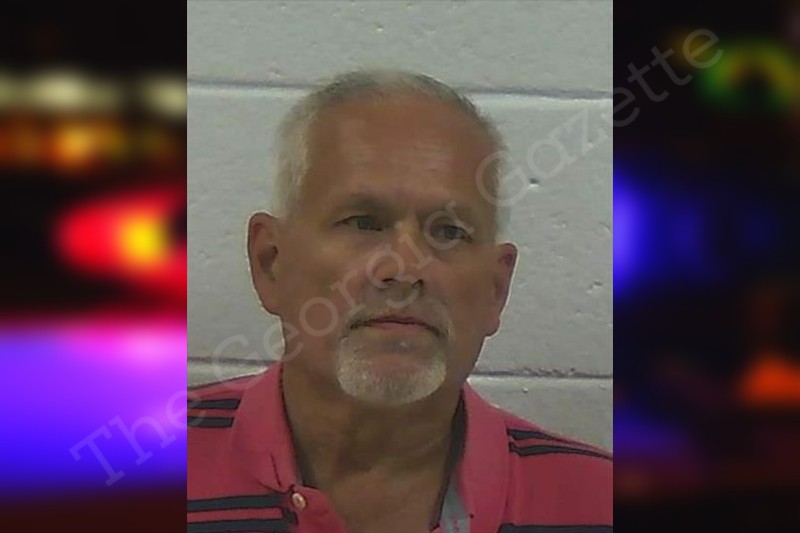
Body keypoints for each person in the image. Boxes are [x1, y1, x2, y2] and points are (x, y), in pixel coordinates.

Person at [187, 69, 612, 533]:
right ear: (271, 262)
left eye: (449, 232)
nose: (405, 269)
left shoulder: (599, 504)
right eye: (363, 223)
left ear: (496, 289)